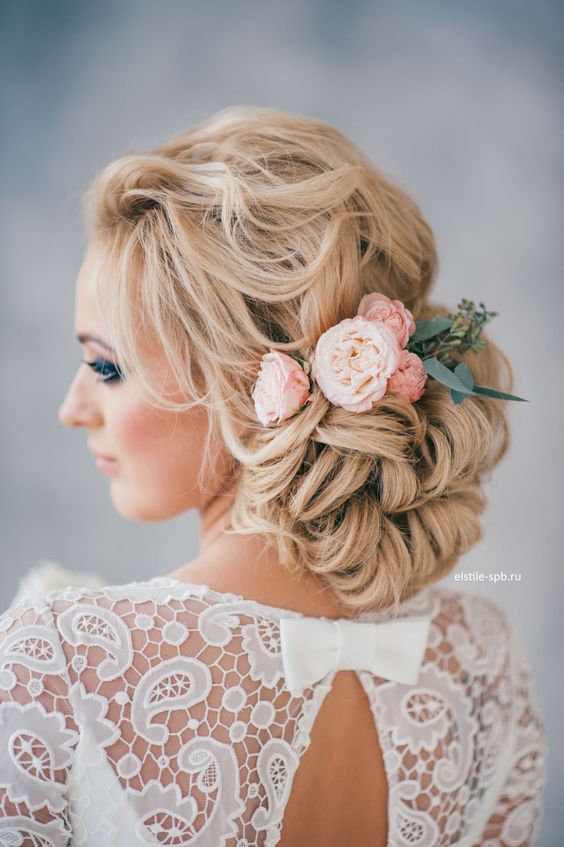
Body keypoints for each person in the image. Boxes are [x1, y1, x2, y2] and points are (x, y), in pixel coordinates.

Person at [0, 105, 546, 846]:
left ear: (246, 380)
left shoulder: (59, 656)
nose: (73, 407)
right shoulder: (483, 656)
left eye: (105, 365)